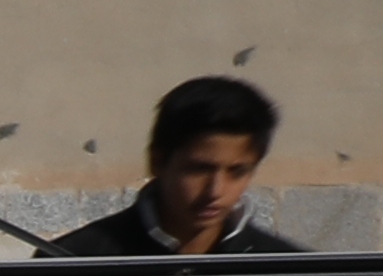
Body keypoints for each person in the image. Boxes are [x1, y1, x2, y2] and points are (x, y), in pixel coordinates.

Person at [37, 74, 305, 258]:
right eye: (198, 169)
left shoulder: (290, 272)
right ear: (158, 162)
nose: (215, 190)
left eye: (237, 172)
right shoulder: (74, 261)